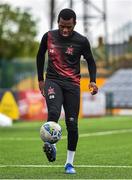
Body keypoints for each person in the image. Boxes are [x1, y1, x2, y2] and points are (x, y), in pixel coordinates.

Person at [36, 8, 98, 174]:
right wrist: (40, 80)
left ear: (74, 24)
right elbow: (40, 56)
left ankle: (69, 163)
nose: (65, 29)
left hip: (72, 84)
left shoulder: (82, 41)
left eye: (68, 27)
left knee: (72, 124)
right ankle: (51, 144)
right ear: (58, 23)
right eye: (62, 25)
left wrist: (92, 80)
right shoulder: (48, 36)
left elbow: (91, 61)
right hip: (53, 81)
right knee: (54, 112)